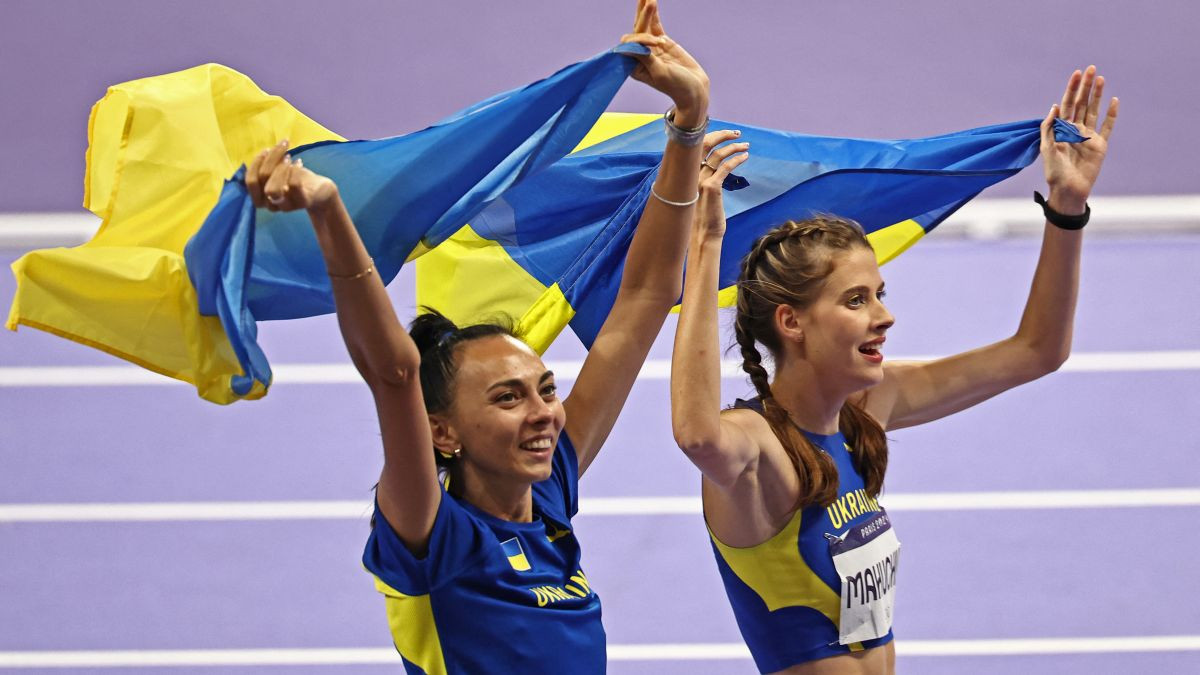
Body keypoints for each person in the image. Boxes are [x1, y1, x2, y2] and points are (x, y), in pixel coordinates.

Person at [240, 2, 730, 671]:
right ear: (444, 432)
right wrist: (328, 211)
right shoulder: (433, 535)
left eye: (544, 389)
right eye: (507, 397)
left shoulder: (550, 496)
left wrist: (687, 129)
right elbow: (394, 374)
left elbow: (642, 299)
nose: (544, 414)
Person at [670, 67, 1118, 674]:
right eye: (857, 301)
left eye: (879, 294)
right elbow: (695, 433)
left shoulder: (866, 411)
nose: (885, 317)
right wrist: (704, 248)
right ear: (792, 322)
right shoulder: (755, 449)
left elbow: (1037, 350)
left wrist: (1067, 209)